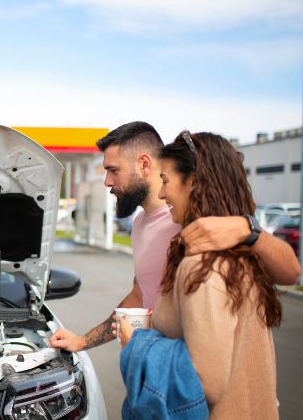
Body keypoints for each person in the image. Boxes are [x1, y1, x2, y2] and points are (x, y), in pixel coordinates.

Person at [50, 121, 299, 352]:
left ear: (145, 164)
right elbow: (140, 295)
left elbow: (290, 273)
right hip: (163, 380)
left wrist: (248, 229)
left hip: (199, 382)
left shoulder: (193, 219)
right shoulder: (139, 224)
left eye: (113, 170)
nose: (107, 181)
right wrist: (83, 341)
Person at [118, 131, 281, 419]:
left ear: (192, 182)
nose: (162, 192)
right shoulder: (239, 250)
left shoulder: (200, 265)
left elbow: (206, 381)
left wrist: (137, 345)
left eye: (166, 181)